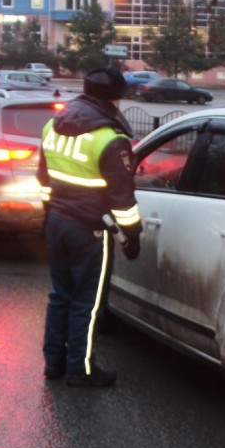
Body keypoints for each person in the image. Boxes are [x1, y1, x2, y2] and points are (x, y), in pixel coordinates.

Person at [37, 67, 142, 387]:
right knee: (88, 302)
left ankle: (54, 362)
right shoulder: (110, 139)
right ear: (113, 99)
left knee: (61, 295)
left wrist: (49, 213)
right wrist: (133, 235)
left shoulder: (52, 127)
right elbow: (122, 199)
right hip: (90, 229)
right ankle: (81, 369)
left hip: (57, 221)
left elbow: (43, 179)